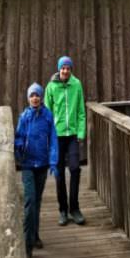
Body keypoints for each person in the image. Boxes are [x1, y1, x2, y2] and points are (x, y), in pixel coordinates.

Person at [14, 82, 59, 258]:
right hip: (27, 164)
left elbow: (54, 139)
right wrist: (17, 150)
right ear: (28, 98)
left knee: (37, 201)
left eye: (37, 95)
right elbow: (18, 137)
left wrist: (53, 161)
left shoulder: (48, 116)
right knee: (30, 201)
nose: (35, 98)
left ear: (41, 98)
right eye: (32, 95)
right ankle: (27, 246)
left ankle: (36, 234)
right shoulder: (24, 117)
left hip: (42, 164)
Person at [44, 55, 86, 226]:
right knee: (59, 173)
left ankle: (74, 209)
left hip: (73, 135)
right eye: (63, 68)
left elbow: (81, 111)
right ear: (59, 69)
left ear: (71, 69)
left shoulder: (76, 85)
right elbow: (46, 114)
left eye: (68, 68)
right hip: (56, 136)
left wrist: (81, 133)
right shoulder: (51, 87)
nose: (65, 70)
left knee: (75, 169)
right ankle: (63, 210)